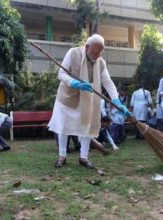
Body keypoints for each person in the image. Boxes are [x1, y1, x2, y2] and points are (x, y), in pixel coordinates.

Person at [48, 34, 129, 169]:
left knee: (87, 127)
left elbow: (107, 82)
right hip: (67, 97)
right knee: (63, 127)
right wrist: (74, 83)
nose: (98, 54)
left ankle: (83, 158)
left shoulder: (101, 62)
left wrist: (117, 101)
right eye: (96, 51)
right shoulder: (73, 53)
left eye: (101, 51)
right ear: (87, 47)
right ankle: (62, 156)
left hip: (86, 99)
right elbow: (61, 74)